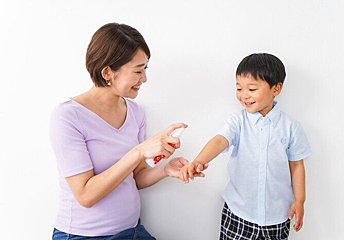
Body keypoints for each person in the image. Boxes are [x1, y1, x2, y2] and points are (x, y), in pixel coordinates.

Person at [50, 23, 206, 240]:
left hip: (131, 231)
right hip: (84, 236)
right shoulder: (68, 116)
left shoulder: (135, 112)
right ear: (107, 72)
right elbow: (85, 195)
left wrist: (165, 170)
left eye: (145, 69)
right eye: (138, 71)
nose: (144, 79)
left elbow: (136, 177)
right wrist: (139, 152)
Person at [180, 53, 312, 240]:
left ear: (276, 89)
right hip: (238, 213)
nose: (244, 95)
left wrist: (300, 200)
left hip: (276, 217)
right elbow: (219, 140)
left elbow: (297, 165)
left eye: (251, 88)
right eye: (239, 88)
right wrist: (199, 161)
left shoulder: (290, 127)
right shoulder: (238, 121)